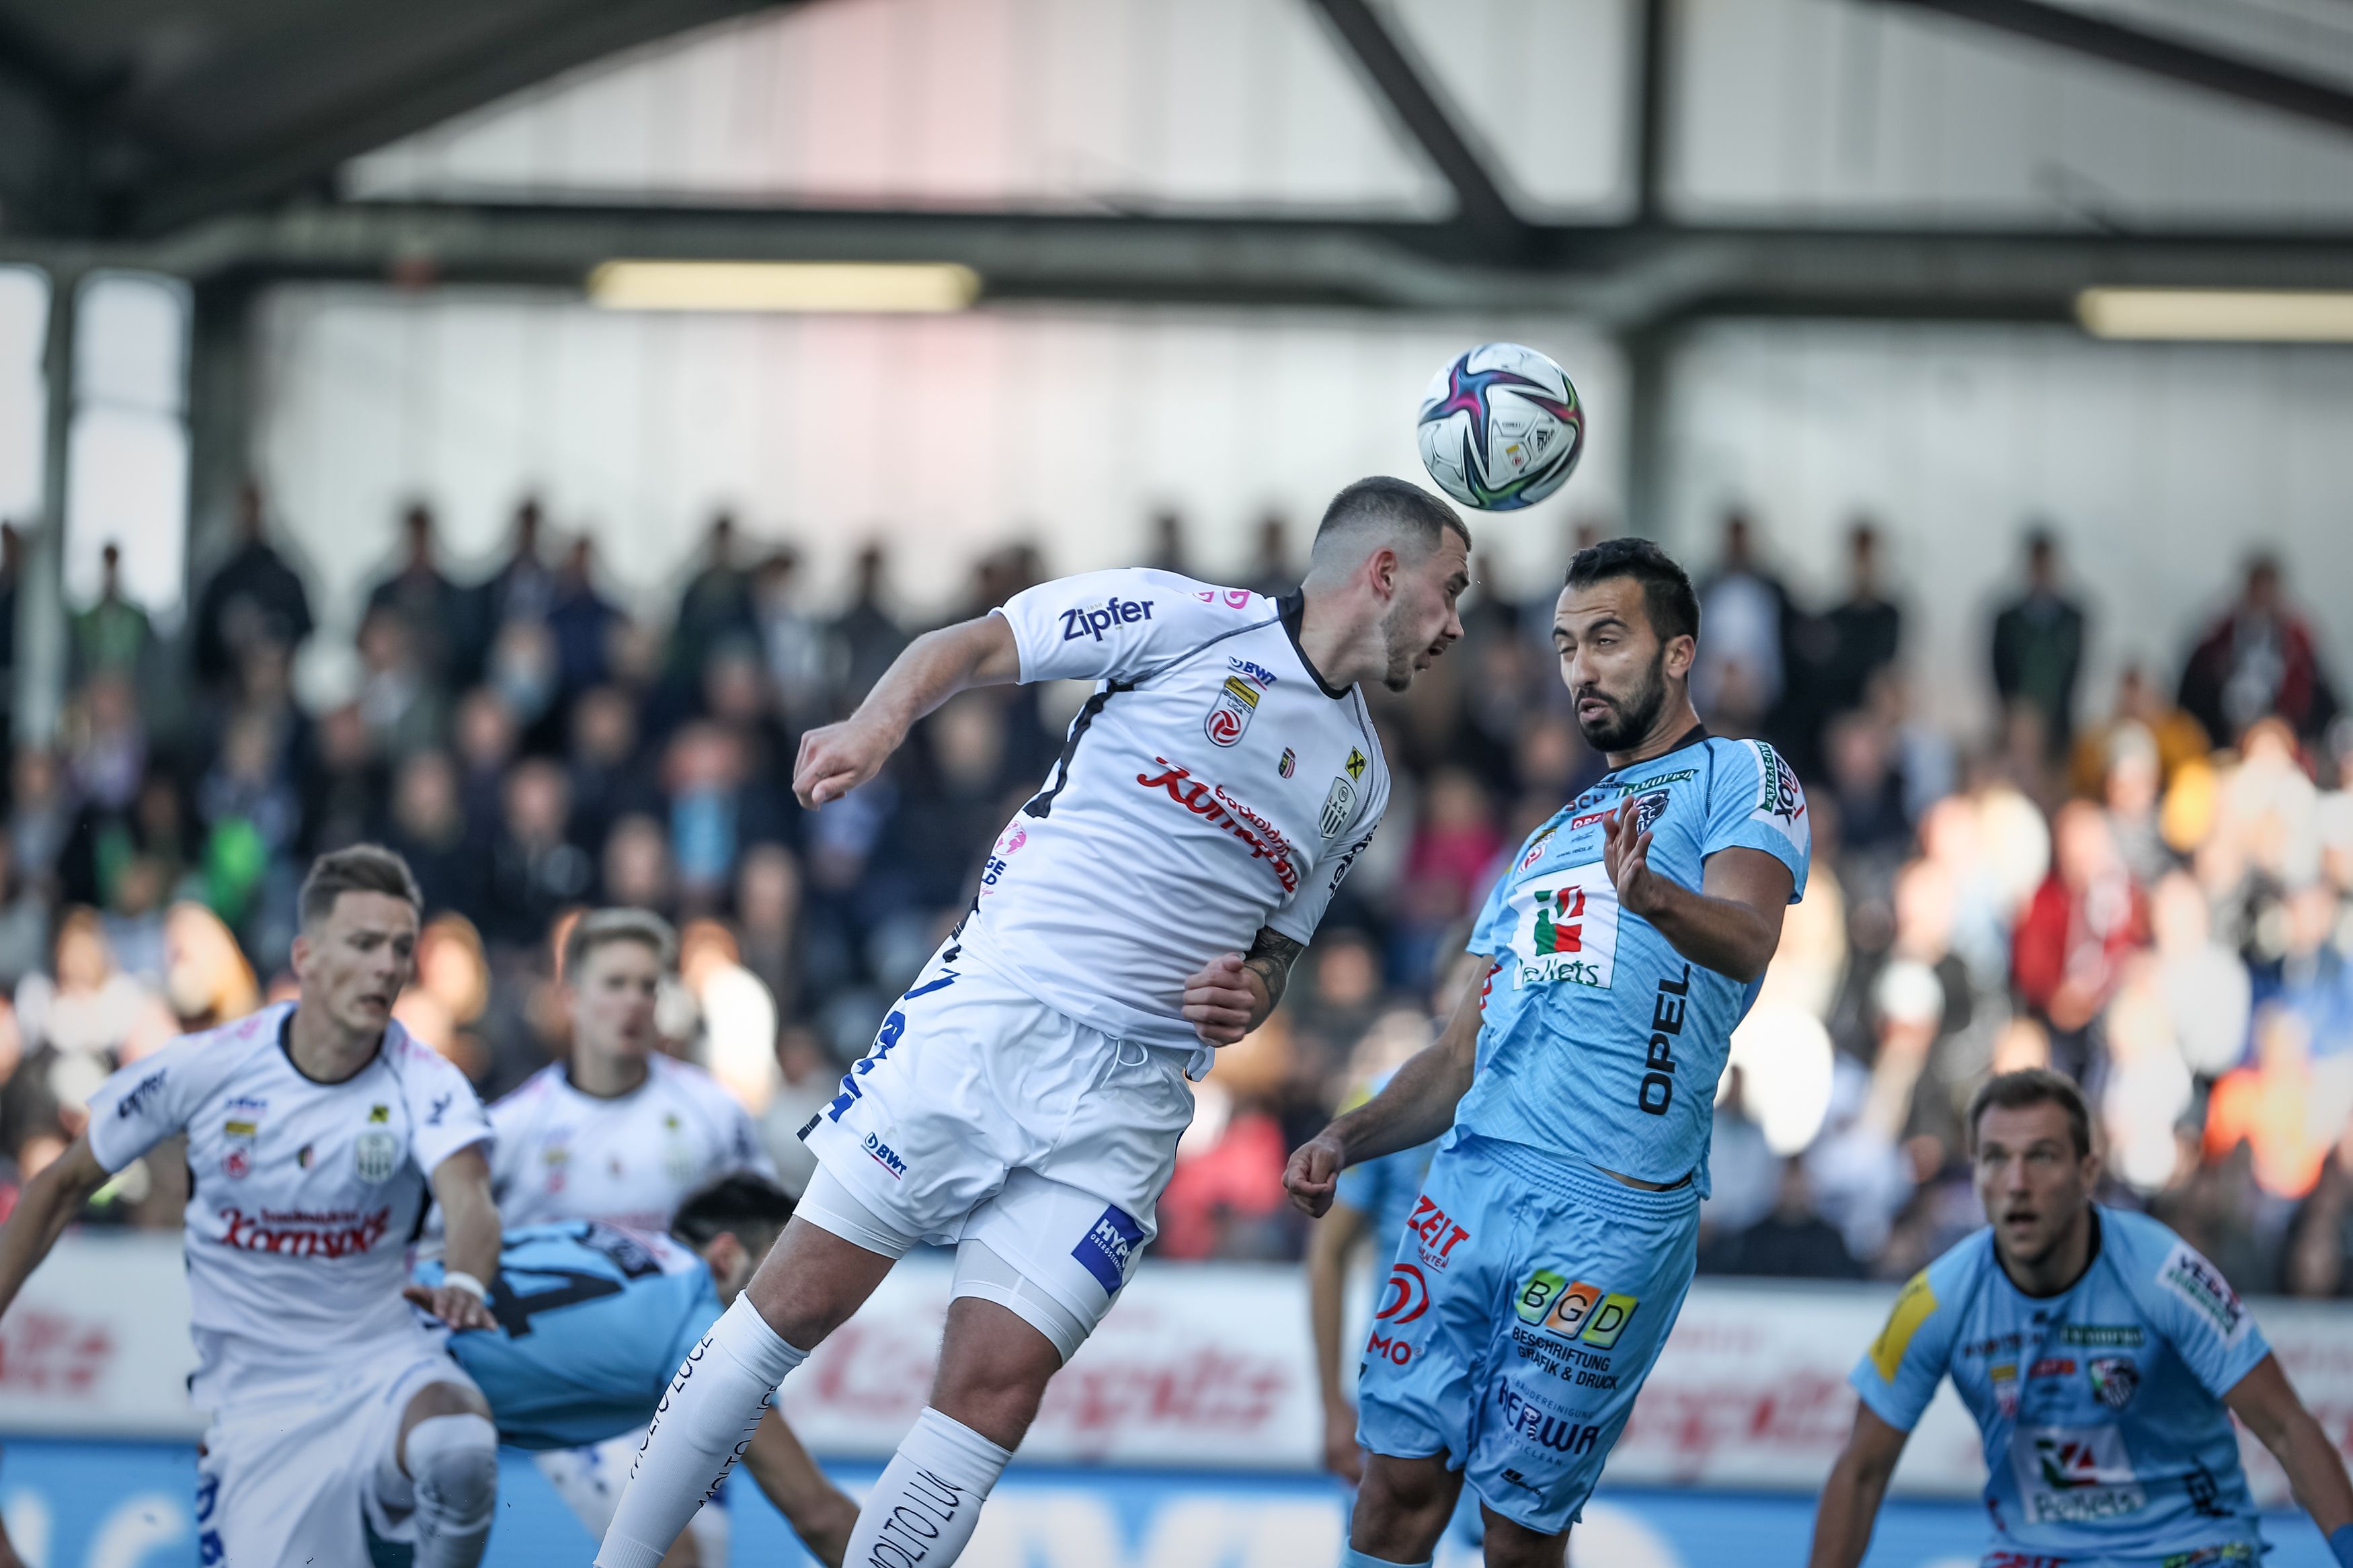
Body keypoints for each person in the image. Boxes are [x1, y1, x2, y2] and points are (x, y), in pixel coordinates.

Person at [594, 475, 1471, 1568]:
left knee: (996, 1389)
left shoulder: (1364, 778)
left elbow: (1274, 955)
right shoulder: (1188, 620)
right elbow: (972, 642)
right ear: (1382, 574)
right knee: (793, 1306)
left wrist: (1253, 995)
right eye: (1449, 590)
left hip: (1134, 1100)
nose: (1457, 623)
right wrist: (876, 724)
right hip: (998, 1016)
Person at [1284, 536, 1811, 1568]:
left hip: (1612, 1216)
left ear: (1677, 653)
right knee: (1390, 1493)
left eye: (1608, 639)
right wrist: (1346, 1139)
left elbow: (1750, 939)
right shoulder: (1541, 843)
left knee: (1520, 1538)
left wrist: (1655, 895)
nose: (1582, 668)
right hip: (1468, 1189)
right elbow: (1456, 1054)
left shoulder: (1744, 774)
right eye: (1568, 645)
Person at [0, 845, 504, 1567]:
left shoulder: (426, 1080)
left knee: (458, 1443)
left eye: (399, 948)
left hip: (382, 1363)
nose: (386, 966)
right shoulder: (209, 1065)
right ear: (305, 954)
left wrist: (464, 1280)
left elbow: (470, 1198)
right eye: (363, 943)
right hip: (260, 1406)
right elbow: (58, 1187)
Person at [1810, 1069, 2353, 1568]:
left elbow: (2287, 1428)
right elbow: (1860, 1471)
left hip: (2192, 1551)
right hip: (2037, 1556)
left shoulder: (2167, 1272)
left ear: (2087, 1171)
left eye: (2041, 1156)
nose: (2016, 1182)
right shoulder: (1933, 1299)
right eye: (1996, 1158)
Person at [482, 908, 778, 1557]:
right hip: (574, 1381)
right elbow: (456, 1248)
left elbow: (766, 1242)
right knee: (676, 1553)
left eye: (649, 985)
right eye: (615, 983)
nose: (634, 1003)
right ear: (570, 997)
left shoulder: (713, 1114)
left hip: (687, 1374)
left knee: (700, 1555)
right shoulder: (513, 1129)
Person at [413, 1173, 856, 1567]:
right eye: (783, 1267)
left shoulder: (604, 1235)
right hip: (412, 1386)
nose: (802, 1289)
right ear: (726, 1256)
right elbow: (817, 1514)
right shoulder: (705, 1332)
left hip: (381, 1338)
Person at [1990, 528, 2087, 759]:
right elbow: (1997, 667)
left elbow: (2077, 672)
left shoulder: (2073, 619)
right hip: (2017, 722)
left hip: (2058, 725)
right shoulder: (2008, 620)